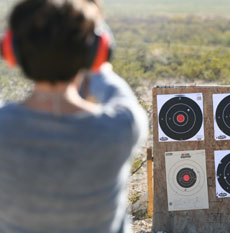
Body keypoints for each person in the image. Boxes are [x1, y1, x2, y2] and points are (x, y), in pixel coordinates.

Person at [0, 0, 147, 232]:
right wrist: (98, 62)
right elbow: (114, 88)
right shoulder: (123, 127)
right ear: (97, 52)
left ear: (11, 52)